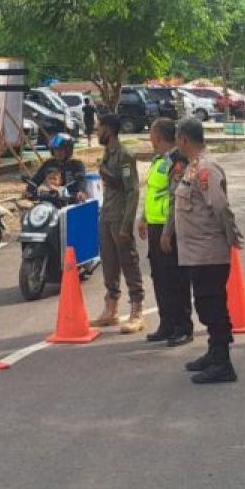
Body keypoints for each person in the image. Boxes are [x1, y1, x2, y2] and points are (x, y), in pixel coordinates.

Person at [162, 117, 243, 384]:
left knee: (212, 305)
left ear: (184, 139)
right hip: (196, 252)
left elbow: (219, 206)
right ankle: (213, 352)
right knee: (206, 304)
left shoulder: (207, 167)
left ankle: (222, 362)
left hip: (209, 252)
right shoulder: (193, 168)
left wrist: (231, 237)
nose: (176, 144)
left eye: (177, 139)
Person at [138, 118, 193, 347]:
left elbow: (174, 198)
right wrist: (143, 217)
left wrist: (167, 232)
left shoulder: (177, 162)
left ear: (158, 136)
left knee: (175, 279)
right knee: (159, 277)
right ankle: (167, 323)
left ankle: (182, 327)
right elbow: (153, 191)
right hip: (154, 226)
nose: (150, 138)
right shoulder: (159, 160)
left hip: (170, 229)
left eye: (151, 134)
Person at [91, 114, 146, 334]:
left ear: (109, 130)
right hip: (107, 214)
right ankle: (110, 309)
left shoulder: (124, 155)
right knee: (109, 263)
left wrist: (127, 224)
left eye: (99, 128)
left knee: (128, 262)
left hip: (120, 217)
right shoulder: (108, 152)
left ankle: (137, 310)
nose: (96, 131)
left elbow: (132, 190)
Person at [27, 133, 86, 201]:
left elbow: (81, 179)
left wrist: (81, 191)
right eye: (56, 149)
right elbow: (36, 179)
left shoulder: (76, 165)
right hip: (49, 200)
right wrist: (29, 189)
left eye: (61, 149)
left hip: (70, 201)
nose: (58, 152)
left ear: (68, 150)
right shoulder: (48, 164)